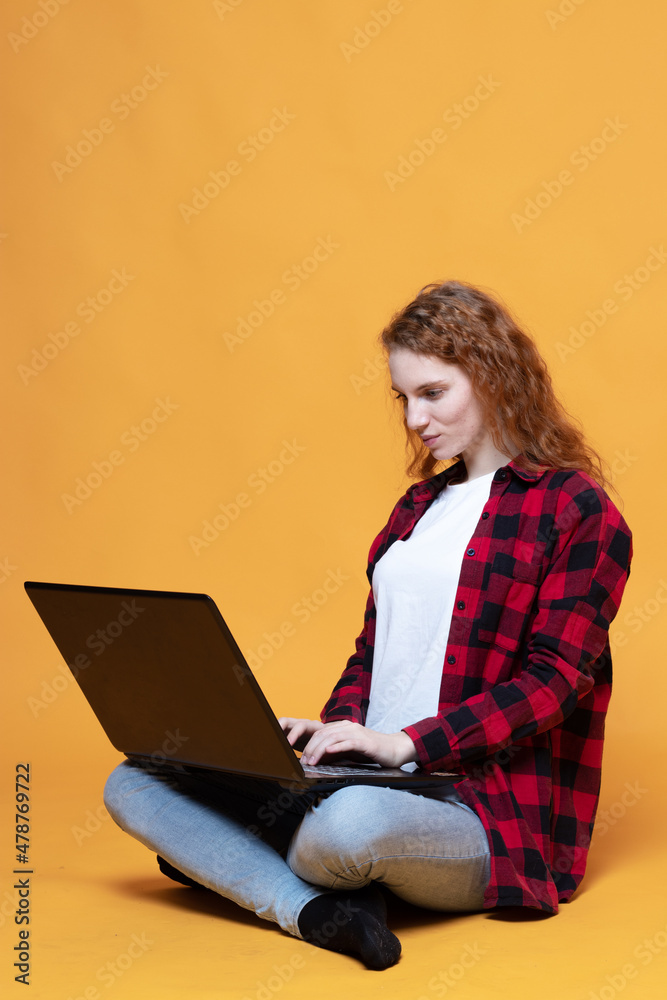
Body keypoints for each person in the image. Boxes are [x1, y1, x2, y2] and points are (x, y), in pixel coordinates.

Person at [103, 280, 632, 971]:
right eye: (402, 397)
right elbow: (372, 655)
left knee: (346, 829)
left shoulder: (576, 509)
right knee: (134, 780)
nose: (414, 418)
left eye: (432, 393)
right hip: (368, 778)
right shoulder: (416, 509)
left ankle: (231, 860)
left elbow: (552, 683)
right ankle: (314, 910)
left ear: (495, 375)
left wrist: (404, 743)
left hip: (479, 808)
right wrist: (336, 733)